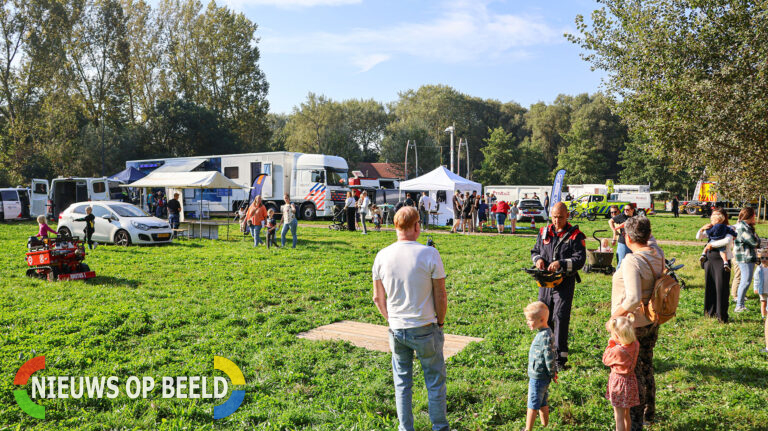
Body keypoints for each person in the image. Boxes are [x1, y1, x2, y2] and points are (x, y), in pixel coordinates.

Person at [372, 206, 448, 431]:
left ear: (396, 226)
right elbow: (440, 295)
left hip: (397, 328)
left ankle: (406, 428)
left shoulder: (382, 255)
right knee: (434, 382)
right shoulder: (429, 253)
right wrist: (440, 323)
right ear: (417, 226)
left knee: (402, 383)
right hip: (425, 325)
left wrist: (391, 319)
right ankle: (439, 427)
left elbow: (378, 297)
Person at [609, 216, 663, 428]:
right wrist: (637, 226)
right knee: (646, 366)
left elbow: (633, 298)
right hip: (652, 320)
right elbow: (651, 238)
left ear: (627, 237)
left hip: (633, 325)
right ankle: (649, 412)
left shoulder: (632, 260)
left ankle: (635, 421)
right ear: (648, 234)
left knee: (631, 375)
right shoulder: (657, 252)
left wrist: (614, 317)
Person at [531, 202, 586, 369]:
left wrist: (560, 263)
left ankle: (560, 359)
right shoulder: (543, 232)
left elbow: (580, 260)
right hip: (545, 283)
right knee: (544, 317)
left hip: (564, 283)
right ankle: (545, 350)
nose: (557, 220)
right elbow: (535, 251)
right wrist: (538, 260)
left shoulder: (576, 236)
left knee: (560, 317)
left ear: (567, 216)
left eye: (560, 217)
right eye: (554, 217)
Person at [603, 314, 640, 431]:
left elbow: (605, 359)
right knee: (626, 414)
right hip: (630, 381)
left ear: (617, 336)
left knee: (618, 417)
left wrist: (610, 344)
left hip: (618, 383)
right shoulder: (636, 344)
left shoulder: (617, 350)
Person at [524, 301, 557, 431]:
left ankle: (528, 429)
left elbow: (549, 357)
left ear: (542, 319)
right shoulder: (545, 333)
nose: (527, 322)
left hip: (538, 376)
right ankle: (545, 425)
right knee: (542, 401)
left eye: (530, 320)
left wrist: (551, 372)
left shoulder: (544, 336)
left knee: (532, 404)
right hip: (541, 375)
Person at [697, 209, 734, 323]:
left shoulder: (729, 228)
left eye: (715, 215)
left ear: (722, 217)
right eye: (711, 216)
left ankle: (721, 316)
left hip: (722, 260)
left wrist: (710, 245)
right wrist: (702, 228)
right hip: (709, 259)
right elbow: (699, 236)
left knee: (721, 288)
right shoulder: (710, 228)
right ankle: (710, 312)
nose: (712, 218)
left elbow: (727, 241)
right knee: (710, 285)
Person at [732, 207, 760, 312]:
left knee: (745, 280)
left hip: (747, 256)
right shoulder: (743, 228)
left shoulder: (746, 226)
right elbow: (755, 242)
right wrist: (757, 237)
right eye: (754, 215)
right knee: (745, 281)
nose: (755, 217)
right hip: (745, 257)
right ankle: (739, 305)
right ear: (750, 216)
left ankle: (740, 304)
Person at [610, 205, 636, 269]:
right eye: (624, 209)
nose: (625, 211)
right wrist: (614, 229)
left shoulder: (636, 217)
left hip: (633, 242)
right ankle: (617, 277)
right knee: (621, 262)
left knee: (632, 262)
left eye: (627, 209)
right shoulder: (622, 216)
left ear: (632, 210)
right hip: (623, 242)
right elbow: (610, 221)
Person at [753, 250, 768, 321]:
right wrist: (755, 288)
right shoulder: (759, 268)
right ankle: (763, 316)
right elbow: (756, 279)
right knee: (763, 303)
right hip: (762, 289)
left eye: (766, 258)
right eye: (762, 258)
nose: (764, 260)